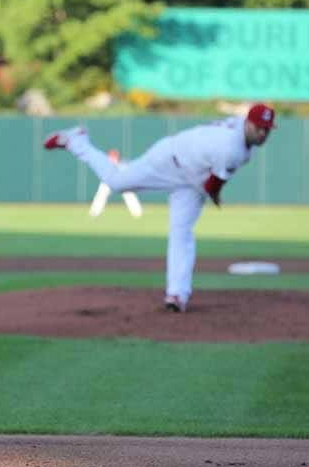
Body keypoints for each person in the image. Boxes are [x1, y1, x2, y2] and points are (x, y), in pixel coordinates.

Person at [44, 103, 276, 312]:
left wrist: (213, 193)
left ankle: (177, 294)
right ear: (247, 123)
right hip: (168, 161)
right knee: (116, 182)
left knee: (182, 233)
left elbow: (209, 181)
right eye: (259, 128)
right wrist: (216, 198)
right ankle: (76, 141)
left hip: (192, 180)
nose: (263, 133)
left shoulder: (240, 133)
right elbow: (212, 186)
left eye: (267, 129)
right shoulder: (233, 149)